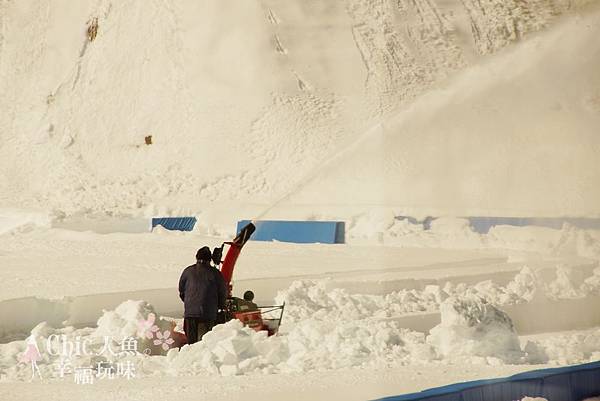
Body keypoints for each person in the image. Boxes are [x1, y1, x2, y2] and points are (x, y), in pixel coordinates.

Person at [178, 246, 227, 344]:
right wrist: (221, 306)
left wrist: (189, 302)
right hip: (207, 314)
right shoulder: (215, 273)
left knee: (191, 345)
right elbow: (222, 293)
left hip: (190, 314)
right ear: (210, 259)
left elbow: (181, 291)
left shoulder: (187, 271)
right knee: (204, 345)